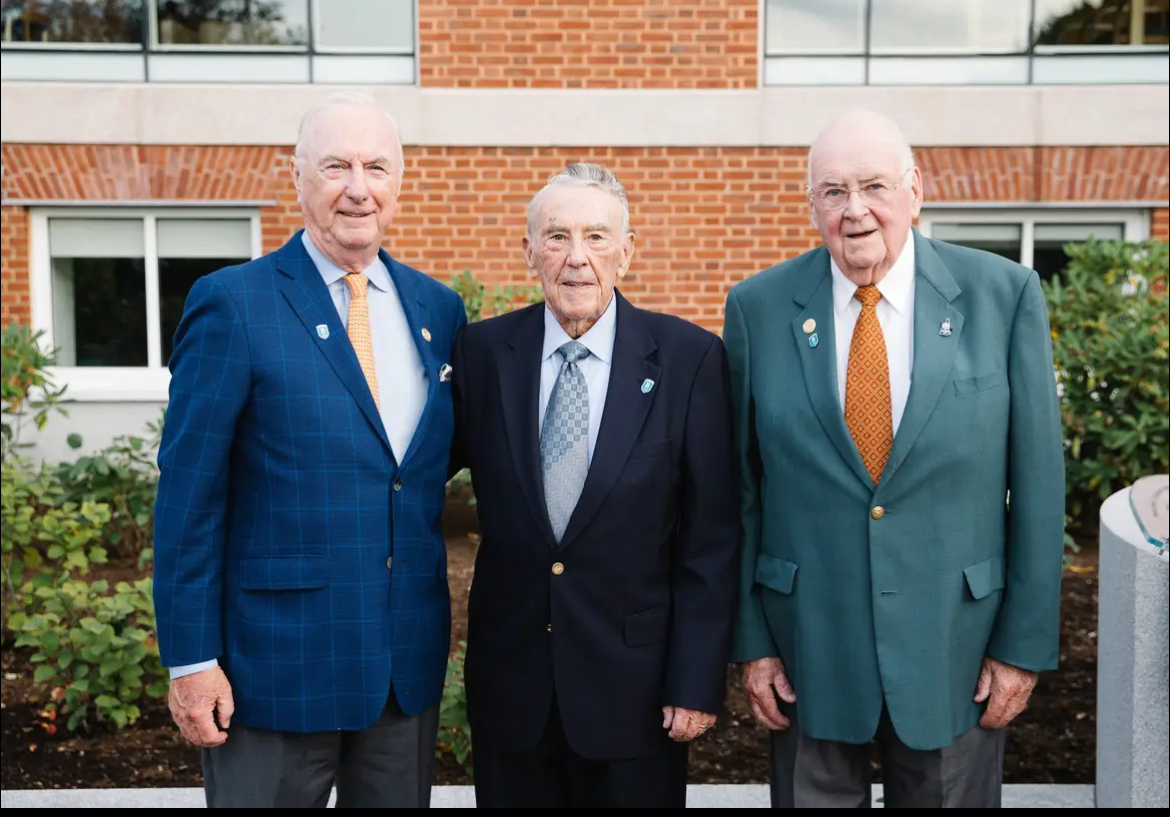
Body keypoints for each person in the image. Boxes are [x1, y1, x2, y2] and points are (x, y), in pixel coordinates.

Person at [724, 109, 1065, 808]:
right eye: (833, 192)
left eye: (874, 186)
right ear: (811, 204)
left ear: (916, 190)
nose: (855, 211)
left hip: (957, 647)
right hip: (805, 648)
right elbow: (741, 490)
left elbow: (1037, 486)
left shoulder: (1003, 297)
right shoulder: (757, 308)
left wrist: (1022, 645)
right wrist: (752, 642)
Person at [152, 92, 467, 808]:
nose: (358, 187)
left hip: (400, 671)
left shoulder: (437, 311)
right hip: (272, 670)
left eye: (376, 167)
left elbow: (413, 470)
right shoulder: (233, 302)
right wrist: (193, 660)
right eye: (336, 165)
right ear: (296, 178)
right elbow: (188, 494)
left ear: (399, 182)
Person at [450, 163, 741, 808]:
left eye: (597, 237)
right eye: (556, 237)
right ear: (529, 254)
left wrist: (695, 681)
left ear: (627, 252)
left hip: (636, 693)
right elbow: (414, 479)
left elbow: (710, 538)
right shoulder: (481, 354)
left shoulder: (689, 359)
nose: (576, 258)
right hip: (512, 687)